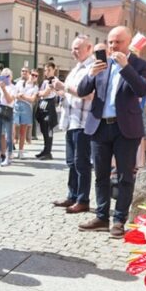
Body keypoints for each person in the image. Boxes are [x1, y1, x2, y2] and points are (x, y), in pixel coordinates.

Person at [75, 26, 146, 238]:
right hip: (100, 126)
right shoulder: (101, 65)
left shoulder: (140, 65)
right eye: (110, 42)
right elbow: (82, 91)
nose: (112, 46)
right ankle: (101, 217)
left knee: (125, 176)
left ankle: (119, 220)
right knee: (100, 175)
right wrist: (91, 75)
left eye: (117, 42)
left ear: (128, 43)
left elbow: (142, 90)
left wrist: (126, 67)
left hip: (125, 128)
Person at [53, 36, 93, 213]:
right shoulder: (76, 68)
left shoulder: (92, 68)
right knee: (71, 162)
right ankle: (72, 195)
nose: (73, 52)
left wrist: (65, 88)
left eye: (77, 48)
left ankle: (83, 199)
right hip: (71, 121)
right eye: (73, 48)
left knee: (81, 163)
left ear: (89, 48)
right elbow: (70, 93)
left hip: (83, 122)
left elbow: (89, 94)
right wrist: (61, 92)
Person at [35, 62, 61, 159]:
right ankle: (45, 149)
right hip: (43, 105)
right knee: (43, 129)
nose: (47, 72)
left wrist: (39, 93)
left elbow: (45, 93)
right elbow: (41, 93)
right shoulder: (45, 81)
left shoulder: (54, 81)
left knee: (48, 129)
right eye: (46, 70)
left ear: (54, 70)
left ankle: (48, 152)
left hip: (49, 105)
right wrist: (40, 93)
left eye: (49, 70)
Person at [12, 67, 38, 160]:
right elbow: (14, 95)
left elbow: (32, 99)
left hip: (27, 108)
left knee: (23, 131)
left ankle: (21, 152)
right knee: (13, 128)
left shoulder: (35, 87)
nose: (34, 77)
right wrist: (22, 97)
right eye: (33, 74)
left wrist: (22, 96)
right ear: (29, 74)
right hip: (17, 106)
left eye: (36, 76)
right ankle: (10, 150)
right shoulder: (20, 83)